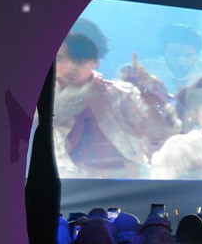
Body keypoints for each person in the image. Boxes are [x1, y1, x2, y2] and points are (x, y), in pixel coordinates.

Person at [53, 20, 175, 178]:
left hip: (127, 184)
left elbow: (161, 133)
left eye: (79, 60)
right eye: (60, 58)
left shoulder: (120, 94)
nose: (69, 68)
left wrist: (149, 95)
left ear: (96, 61)